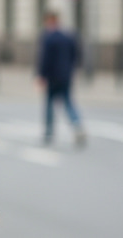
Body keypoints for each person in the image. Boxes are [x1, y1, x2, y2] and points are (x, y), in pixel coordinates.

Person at [37, 11, 86, 146]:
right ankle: (77, 125)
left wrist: (41, 75)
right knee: (68, 101)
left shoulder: (48, 38)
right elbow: (76, 54)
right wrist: (72, 69)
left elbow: (45, 59)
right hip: (66, 76)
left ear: (49, 21)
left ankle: (48, 132)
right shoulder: (68, 36)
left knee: (49, 104)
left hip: (52, 77)